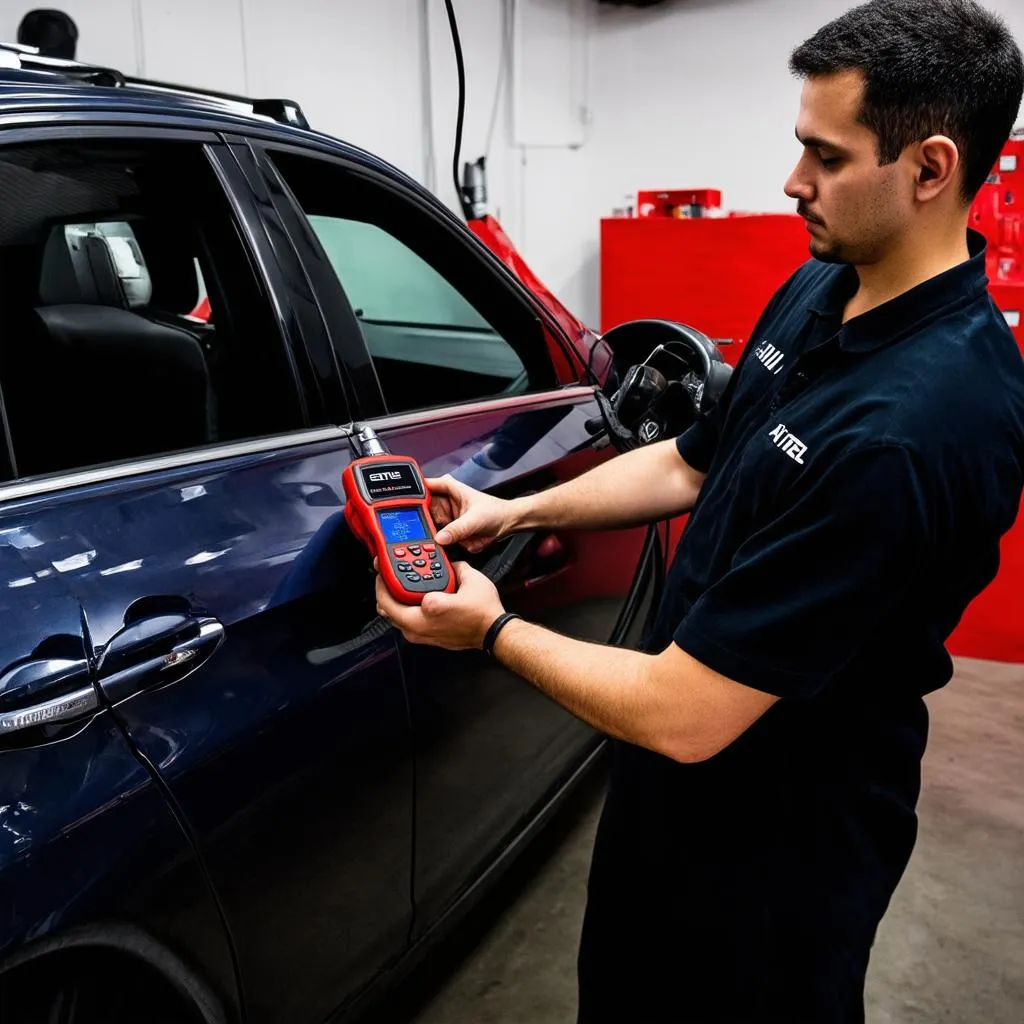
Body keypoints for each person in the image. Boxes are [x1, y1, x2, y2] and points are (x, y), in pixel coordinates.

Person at [374, 1, 1024, 1020]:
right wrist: (511, 509)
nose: (792, 180)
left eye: (825, 154)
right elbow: (692, 462)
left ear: (930, 168)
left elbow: (685, 714)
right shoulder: (821, 286)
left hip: (778, 848)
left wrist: (489, 627)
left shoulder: (915, 430)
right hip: (675, 797)